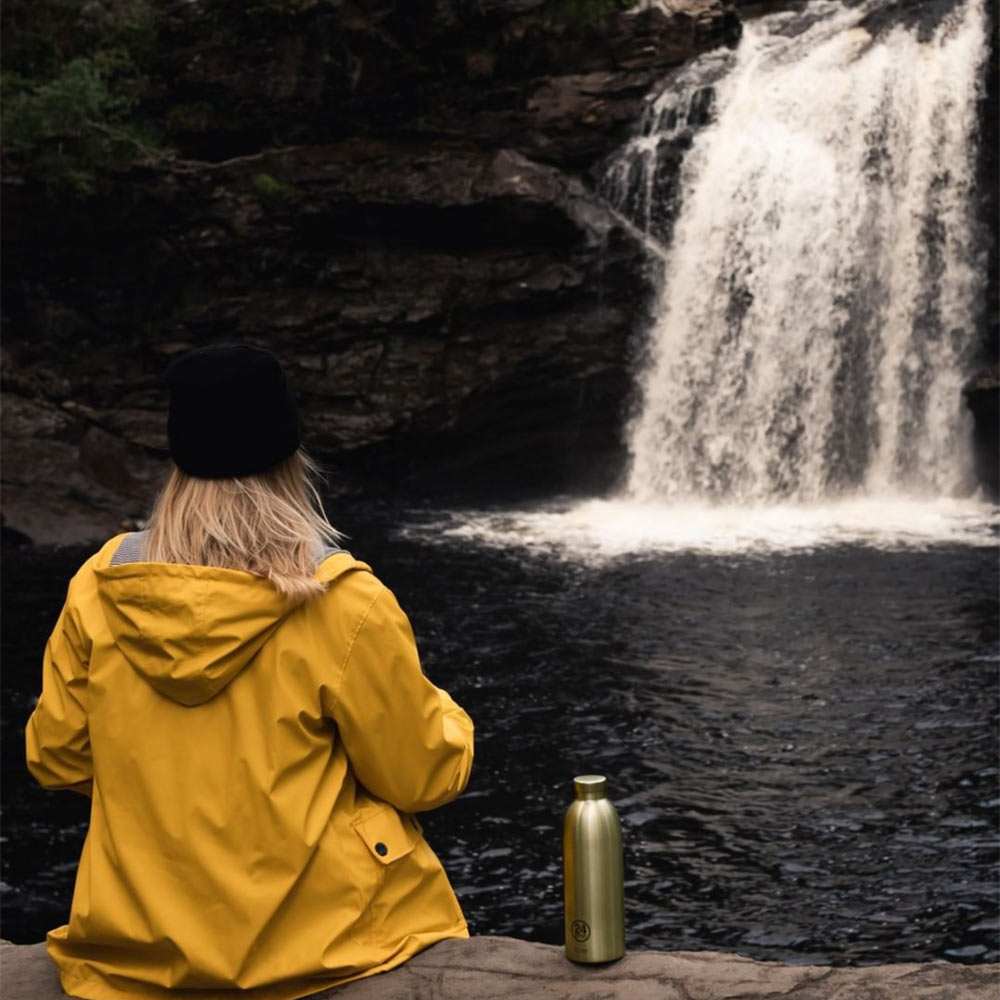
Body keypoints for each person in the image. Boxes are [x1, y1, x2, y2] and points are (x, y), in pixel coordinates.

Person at [25, 344, 474, 1000]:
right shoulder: (343, 602)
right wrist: (450, 717)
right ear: (290, 457)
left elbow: (57, 759)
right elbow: (424, 775)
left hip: (139, 952)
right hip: (327, 948)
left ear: (178, 459)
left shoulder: (99, 587)